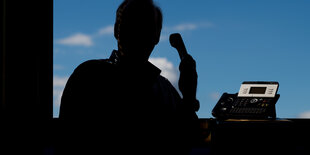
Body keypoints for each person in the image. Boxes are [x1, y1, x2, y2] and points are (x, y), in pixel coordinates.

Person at [58, 0, 200, 154]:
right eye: (132, 25)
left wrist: (188, 96)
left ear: (157, 37)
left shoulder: (165, 89)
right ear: (116, 31)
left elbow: (190, 140)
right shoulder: (87, 76)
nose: (138, 33)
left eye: (146, 27)